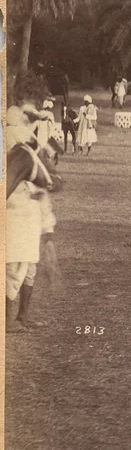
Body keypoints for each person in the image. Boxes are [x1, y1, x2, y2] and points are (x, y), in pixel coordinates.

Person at [6, 114, 59, 333]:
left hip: (29, 223)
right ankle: (7, 321)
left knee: (29, 270)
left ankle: (22, 316)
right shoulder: (17, 156)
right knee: (13, 271)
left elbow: (43, 192)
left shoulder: (31, 159)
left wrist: (47, 228)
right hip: (15, 222)